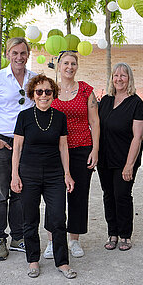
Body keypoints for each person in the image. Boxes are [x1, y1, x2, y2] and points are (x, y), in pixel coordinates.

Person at [11, 75, 77, 279]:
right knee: (30, 219)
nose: (43, 95)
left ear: (53, 94)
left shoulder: (59, 117)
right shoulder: (24, 117)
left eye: (48, 91)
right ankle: (33, 260)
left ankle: (62, 262)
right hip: (28, 174)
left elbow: (63, 146)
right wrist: (15, 175)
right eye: (39, 91)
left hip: (54, 175)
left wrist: (67, 174)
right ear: (32, 94)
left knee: (58, 218)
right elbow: (17, 148)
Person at [0, 37, 36, 261]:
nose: (19, 57)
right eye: (14, 53)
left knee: (20, 192)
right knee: (1, 192)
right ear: (7, 54)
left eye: (23, 53)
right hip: (3, 142)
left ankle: (18, 237)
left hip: (27, 143)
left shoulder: (34, 79)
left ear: (28, 55)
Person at [43, 51, 99, 259]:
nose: (69, 66)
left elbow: (95, 122)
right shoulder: (49, 89)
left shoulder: (85, 90)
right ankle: (52, 240)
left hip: (82, 148)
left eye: (73, 63)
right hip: (54, 151)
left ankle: (74, 240)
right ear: (58, 66)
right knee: (53, 197)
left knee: (78, 196)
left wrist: (95, 149)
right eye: (65, 63)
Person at [98, 62, 143, 251]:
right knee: (108, 196)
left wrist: (129, 165)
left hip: (125, 159)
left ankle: (125, 235)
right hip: (104, 159)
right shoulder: (105, 101)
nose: (119, 79)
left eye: (123, 76)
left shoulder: (136, 103)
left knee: (122, 195)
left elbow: (138, 137)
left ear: (129, 79)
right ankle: (113, 233)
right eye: (116, 75)